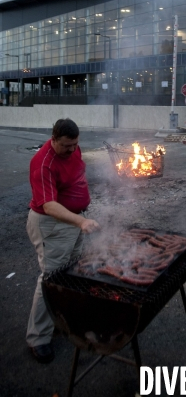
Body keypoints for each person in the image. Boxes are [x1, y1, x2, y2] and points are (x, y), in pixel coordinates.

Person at [26, 118, 100, 364]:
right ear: (53, 139)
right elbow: (49, 205)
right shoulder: (43, 163)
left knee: (70, 273)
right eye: (66, 146)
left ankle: (60, 320)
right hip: (53, 225)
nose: (72, 150)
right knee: (50, 278)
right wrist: (80, 222)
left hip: (74, 220)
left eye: (75, 145)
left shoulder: (73, 148)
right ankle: (38, 338)